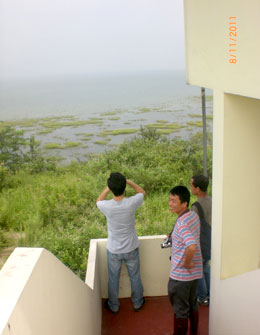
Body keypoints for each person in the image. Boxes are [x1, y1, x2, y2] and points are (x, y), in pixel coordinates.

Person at [96, 172, 146, 314]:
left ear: (111, 188)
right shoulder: (131, 203)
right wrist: (128, 181)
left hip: (114, 250)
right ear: (124, 187)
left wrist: (108, 188)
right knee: (135, 276)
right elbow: (142, 192)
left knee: (113, 279)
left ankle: (114, 305)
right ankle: (137, 303)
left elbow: (98, 200)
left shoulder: (107, 206)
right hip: (131, 247)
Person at [167, 186, 202, 335]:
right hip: (195, 274)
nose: (170, 203)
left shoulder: (181, 224)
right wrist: (172, 238)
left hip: (181, 276)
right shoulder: (193, 215)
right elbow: (190, 238)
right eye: (169, 199)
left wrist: (186, 263)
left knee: (180, 309)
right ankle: (194, 332)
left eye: (174, 201)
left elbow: (191, 246)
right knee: (193, 304)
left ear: (184, 203)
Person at [190, 174, 212, 306]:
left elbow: (193, 227)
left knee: (199, 271)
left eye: (191, 185)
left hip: (200, 243)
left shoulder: (196, 206)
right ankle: (211, 293)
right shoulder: (212, 200)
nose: (190, 187)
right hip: (210, 241)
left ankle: (203, 297)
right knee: (206, 269)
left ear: (198, 188)